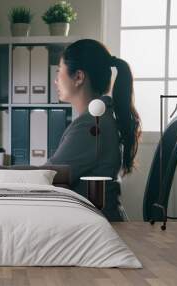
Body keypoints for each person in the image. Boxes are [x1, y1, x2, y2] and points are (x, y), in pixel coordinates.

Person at [46, 39, 141, 221]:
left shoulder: (92, 125)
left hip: (98, 228)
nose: (56, 80)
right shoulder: (98, 117)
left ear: (79, 77)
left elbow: (47, 177)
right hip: (98, 221)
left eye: (59, 71)